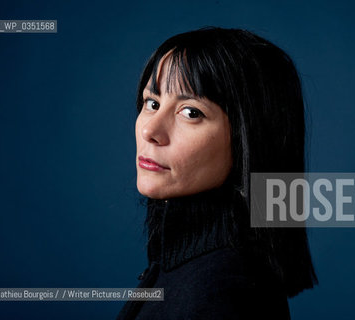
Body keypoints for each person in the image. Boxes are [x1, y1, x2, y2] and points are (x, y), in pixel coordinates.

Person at [117, 27, 317, 320]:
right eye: (152, 103)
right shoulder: (181, 264)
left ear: (249, 138)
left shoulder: (225, 292)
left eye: (191, 112)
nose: (149, 130)